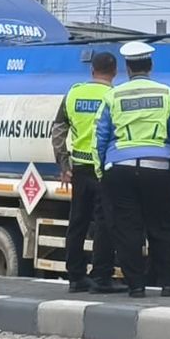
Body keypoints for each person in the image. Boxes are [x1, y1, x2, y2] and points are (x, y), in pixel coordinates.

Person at [95, 41, 170, 298]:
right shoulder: (167, 93)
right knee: (162, 227)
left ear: (127, 68)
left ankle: (136, 286)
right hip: (158, 169)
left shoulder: (112, 96)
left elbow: (100, 137)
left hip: (120, 170)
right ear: (150, 66)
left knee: (127, 228)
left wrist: (101, 172)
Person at [51, 51, 122, 294]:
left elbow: (58, 129)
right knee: (104, 223)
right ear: (114, 72)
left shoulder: (74, 93)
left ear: (92, 70)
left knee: (77, 222)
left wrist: (63, 164)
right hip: (105, 171)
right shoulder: (114, 96)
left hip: (78, 170)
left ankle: (75, 277)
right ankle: (102, 276)